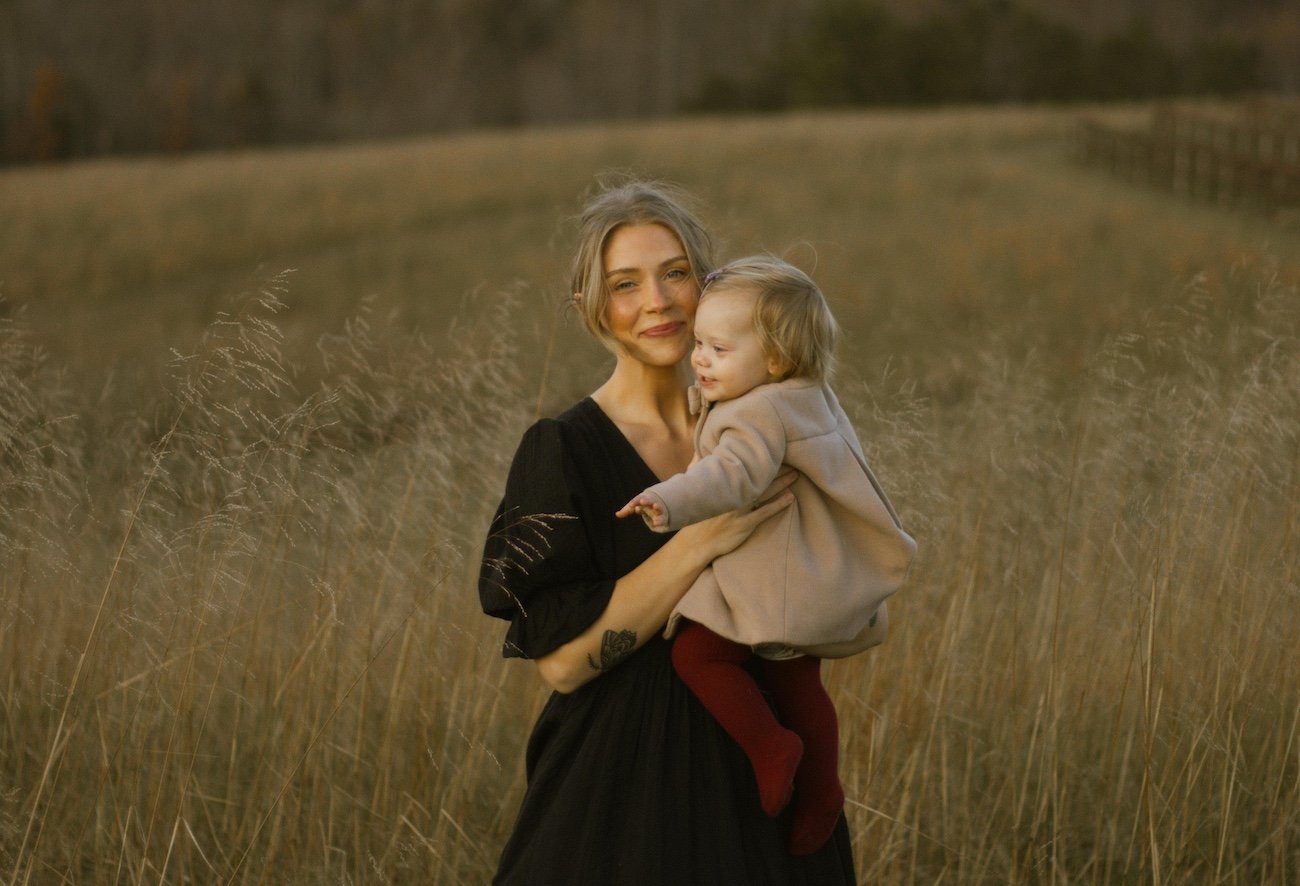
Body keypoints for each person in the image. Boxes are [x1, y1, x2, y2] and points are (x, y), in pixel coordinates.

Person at [478, 180, 858, 884]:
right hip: (623, 795)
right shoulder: (561, 451)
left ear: (710, 286)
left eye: (675, 273)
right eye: (625, 284)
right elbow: (561, 666)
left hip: (768, 786)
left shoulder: (768, 418)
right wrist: (700, 543)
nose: (655, 301)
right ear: (590, 308)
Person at [615, 256, 917, 856]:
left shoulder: (757, 412)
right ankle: (823, 789)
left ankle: (771, 748)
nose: (699, 359)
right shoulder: (808, 395)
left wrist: (666, 499)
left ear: (774, 360)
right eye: (699, 343)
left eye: (719, 350)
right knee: (798, 678)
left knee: (699, 657)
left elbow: (733, 474)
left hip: (772, 577)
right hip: (807, 572)